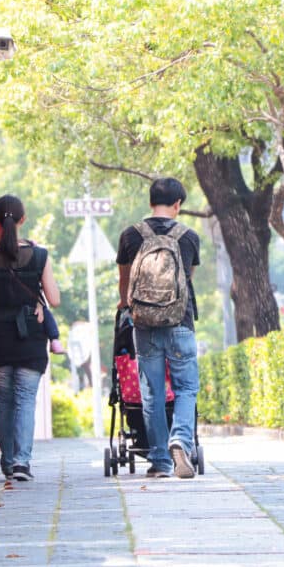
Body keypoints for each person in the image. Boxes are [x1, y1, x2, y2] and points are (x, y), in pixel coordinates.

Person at [0, 195, 61, 481]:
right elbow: (55, 300)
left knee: (5, 400)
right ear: (23, 220)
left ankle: (8, 461)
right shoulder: (39, 255)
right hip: (30, 336)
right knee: (25, 399)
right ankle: (22, 462)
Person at [116, 178, 201, 479]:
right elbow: (186, 280)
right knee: (186, 387)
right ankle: (180, 438)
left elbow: (125, 284)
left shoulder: (130, 235)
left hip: (143, 324)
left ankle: (161, 462)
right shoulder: (188, 236)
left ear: (151, 201)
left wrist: (126, 306)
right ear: (177, 204)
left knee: (151, 392)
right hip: (180, 322)